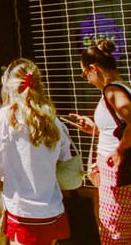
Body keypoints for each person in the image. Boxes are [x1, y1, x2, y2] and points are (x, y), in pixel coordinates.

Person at [0, 58, 72, 245]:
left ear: (9, 86)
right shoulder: (53, 119)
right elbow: (65, 159)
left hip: (21, 211)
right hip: (52, 209)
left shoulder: (4, 119)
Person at [70, 38, 131, 244]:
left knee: (115, 231)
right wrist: (94, 129)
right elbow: (119, 128)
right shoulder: (122, 88)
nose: (86, 80)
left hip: (118, 173)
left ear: (94, 68)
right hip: (115, 173)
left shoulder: (112, 91)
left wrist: (119, 151)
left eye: (84, 73)